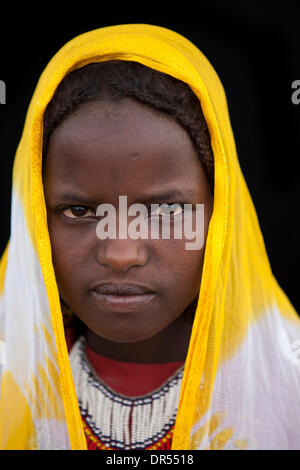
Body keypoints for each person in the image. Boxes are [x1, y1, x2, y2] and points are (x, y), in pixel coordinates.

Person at [0, 23, 299, 451]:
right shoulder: (9, 380)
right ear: (34, 219)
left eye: (164, 211)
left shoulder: (289, 392)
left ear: (222, 214)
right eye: (79, 211)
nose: (121, 252)